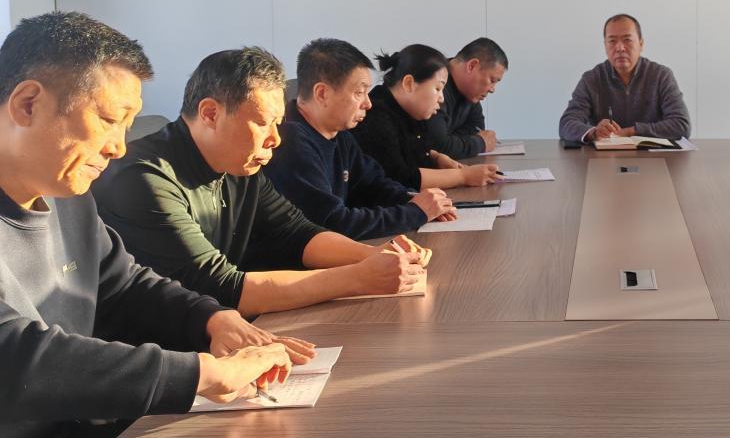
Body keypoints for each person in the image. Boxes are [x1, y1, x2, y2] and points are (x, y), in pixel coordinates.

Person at [0, 12, 312, 438]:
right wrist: (200, 373)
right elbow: (15, 356)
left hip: (72, 428)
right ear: (28, 104)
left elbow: (124, 283)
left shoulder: (67, 195)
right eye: (108, 120)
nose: (119, 146)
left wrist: (212, 318)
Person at [94, 47, 430, 316]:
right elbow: (219, 286)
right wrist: (357, 278)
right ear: (210, 114)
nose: (275, 139)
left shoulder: (239, 165)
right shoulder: (145, 178)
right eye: (262, 123)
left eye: (278, 124)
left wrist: (373, 256)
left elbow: (296, 232)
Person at [263, 38, 456, 240]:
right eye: (359, 93)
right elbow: (332, 224)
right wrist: (415, 212)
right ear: (322, 94)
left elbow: (373, 185)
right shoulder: (290, 142)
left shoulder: (340, 135)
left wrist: (415, 199)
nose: (368, 104)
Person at [354, 43, 501, 189]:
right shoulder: (376, 117)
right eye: (437, 88)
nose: (441, 98)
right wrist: (464, 176)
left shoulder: (408, 112)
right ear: (409, 84)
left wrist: (435, 158)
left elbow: (412, 151)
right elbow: (401, 178)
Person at [558, 14, 691, 143]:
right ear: (605, 46)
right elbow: (567, 123)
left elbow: (681, 125)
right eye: (612, 41)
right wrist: (594, 132)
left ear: (641, 44)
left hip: (651, 154)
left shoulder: (661, 76)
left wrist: (631, 131)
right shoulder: (592, 79)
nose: (620, 48)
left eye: (627, 40)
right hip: (605, 156)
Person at [423, 37, 508, 158]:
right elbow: (437, 146)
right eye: (492, 80)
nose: (492, 89)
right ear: (472, 66)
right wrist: (480, 143)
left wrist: (452, 141)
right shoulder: (433, 81)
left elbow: (476, 128)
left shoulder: (468, 91)